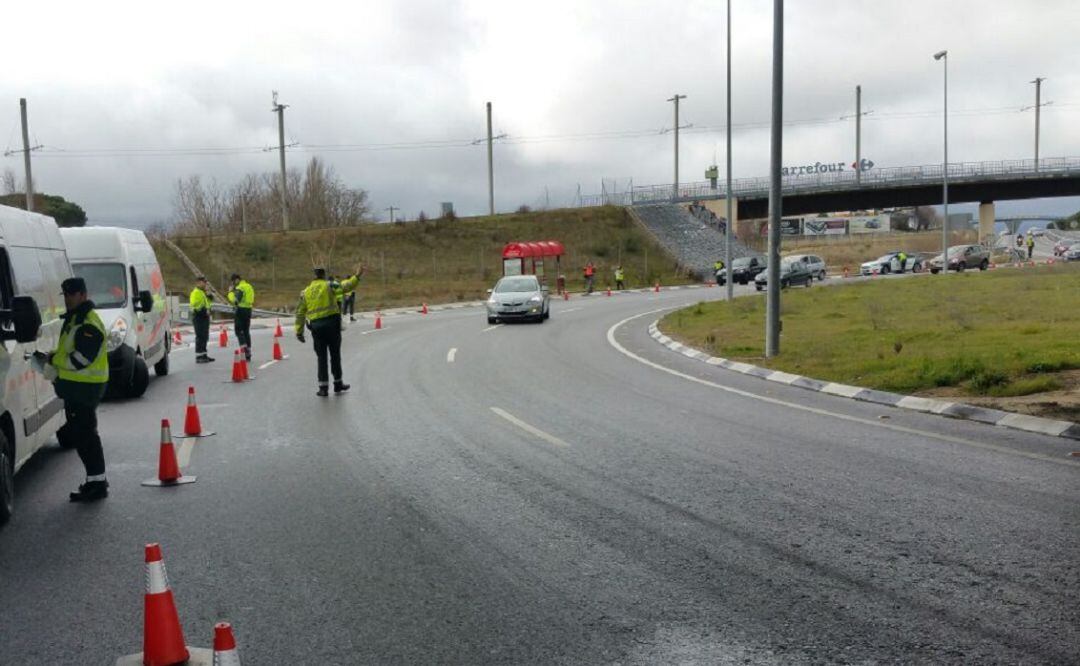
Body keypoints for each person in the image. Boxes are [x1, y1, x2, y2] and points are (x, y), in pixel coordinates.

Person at [46, 278, 110, 502]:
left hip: (84, 389)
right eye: (65, 294)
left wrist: (54, 358)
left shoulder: (87, 323)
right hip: (77, 388)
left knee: (86, 437)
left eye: (71, 294)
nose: (67, 298)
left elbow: (80, 359)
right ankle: (95, 481)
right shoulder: (76, 319)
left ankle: (97, 484)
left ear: (83, 295)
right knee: (84, 436)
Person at [295, 265, 364, 397]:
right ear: (323, 275)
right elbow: (347, 286)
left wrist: (299, 331)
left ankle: (323, 388)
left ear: (314, 276)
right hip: (332, 325)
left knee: (321, 357)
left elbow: (300, 313)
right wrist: (357, 276)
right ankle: (338, 384)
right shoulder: (330, 285)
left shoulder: (306, 292)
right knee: (335, 355)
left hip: (316, 328)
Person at [227, 273, 255, 361]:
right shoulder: (249, 286)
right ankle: (248, 353)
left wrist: (230, 292)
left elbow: (235, 301)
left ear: (237, 280)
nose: (234, 284)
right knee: (246, 331)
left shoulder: (240, 288)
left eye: (233, 282)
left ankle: (244, 349)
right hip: (248, 310)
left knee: (238, 331)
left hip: (241, 310)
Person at [189, 276, 215, 363]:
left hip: (204, 316)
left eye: (205, 282)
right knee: (200, 336)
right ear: (199, 283)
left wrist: (209, 294)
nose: (205, 284)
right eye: (204, 282)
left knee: (205, 336)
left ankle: (204, 354)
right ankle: (199, 356)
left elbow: (210, 301)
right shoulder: (196, 292)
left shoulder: (203, 292)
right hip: (199, 316)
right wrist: (203, 310)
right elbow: (194, 305)